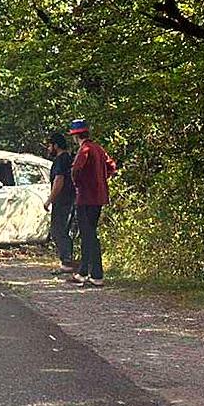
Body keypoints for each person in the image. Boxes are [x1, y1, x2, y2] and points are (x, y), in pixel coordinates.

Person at [68, 119, 116, 287]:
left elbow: (76, 170)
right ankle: (86, 272)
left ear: (75, 136)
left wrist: (79, 184)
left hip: (86, 197)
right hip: (99, 197)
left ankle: (94, 274)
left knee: (88, 235)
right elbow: (112, 166)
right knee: (90, 234)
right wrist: (102, 180)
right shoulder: (99, 149)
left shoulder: (85, 149)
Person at [43, 132, 76, 273]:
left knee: (58, 231)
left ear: (56, 145)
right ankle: (68, 261)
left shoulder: (60, 160)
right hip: (72, 199)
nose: (48, 149)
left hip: (62, 201)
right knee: (64, 231)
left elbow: (59, 180)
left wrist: (49, 200)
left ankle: (66, 263)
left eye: (50, 146)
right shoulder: (69, 158)